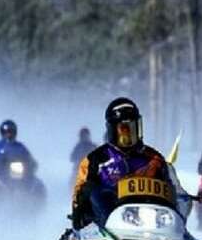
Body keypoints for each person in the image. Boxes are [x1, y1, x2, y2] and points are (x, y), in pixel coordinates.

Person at [71, 97, 170, 229]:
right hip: (107, 227)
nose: (129, 135)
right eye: (124, 130)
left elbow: (170, 189)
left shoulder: (154, 158)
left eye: (133, 128)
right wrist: (79, 216)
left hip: (151, 225)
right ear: (112, 130)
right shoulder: (95, 160)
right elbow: (80, 193)